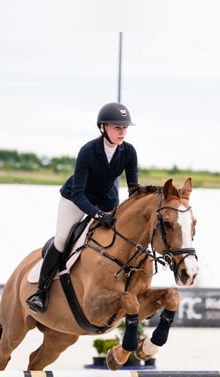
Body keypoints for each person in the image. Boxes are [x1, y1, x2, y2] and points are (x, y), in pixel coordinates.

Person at [26, 102, 139, 313]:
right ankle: (41, 292)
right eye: (117, 127)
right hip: (76, 199)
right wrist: (97, 214)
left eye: (124, 128)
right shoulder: (88, 151)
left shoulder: (129, 152)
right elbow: (78, 192)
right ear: (102, 127)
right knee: (62, 239)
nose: (122, 132)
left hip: (107, 200)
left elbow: (134, 190)